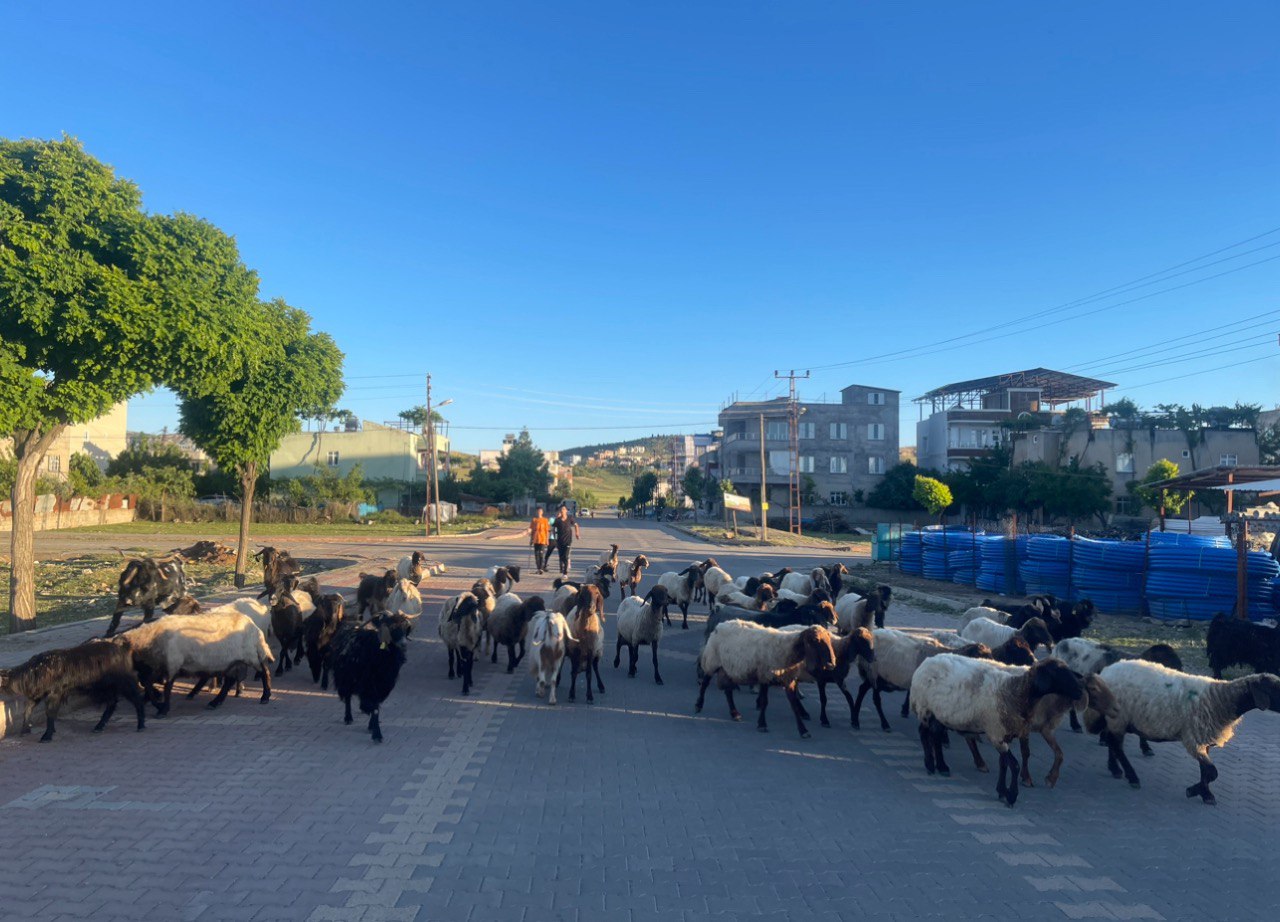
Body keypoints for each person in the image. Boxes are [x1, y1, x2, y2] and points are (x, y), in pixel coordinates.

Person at [550, 504, 580, 576]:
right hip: (559, 541)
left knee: (566, 557)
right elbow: (553, 529)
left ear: (566, 510)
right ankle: (563, 567)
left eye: (563, 509)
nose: (562, 510)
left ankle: (565, 573)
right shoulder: (557, 520)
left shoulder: (570, 518)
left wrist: (577, 533)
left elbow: (576, 525)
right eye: (561, 509)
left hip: (568, 541)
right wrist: (554, 538)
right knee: (561, 557)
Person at [529, 507, 550, 574]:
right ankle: (538, 568)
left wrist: (547, 540)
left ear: (542, 512)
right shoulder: (534, 520)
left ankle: (541, 568)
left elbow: (547, 531)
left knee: (541, 554)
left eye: (540, 511)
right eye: (538, 511)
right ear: (536, 512)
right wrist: (531, 540)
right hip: (536, 539)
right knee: (536, 555)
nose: (539, 512)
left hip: (543, 539)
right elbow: (531, 530)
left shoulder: (545, 520)